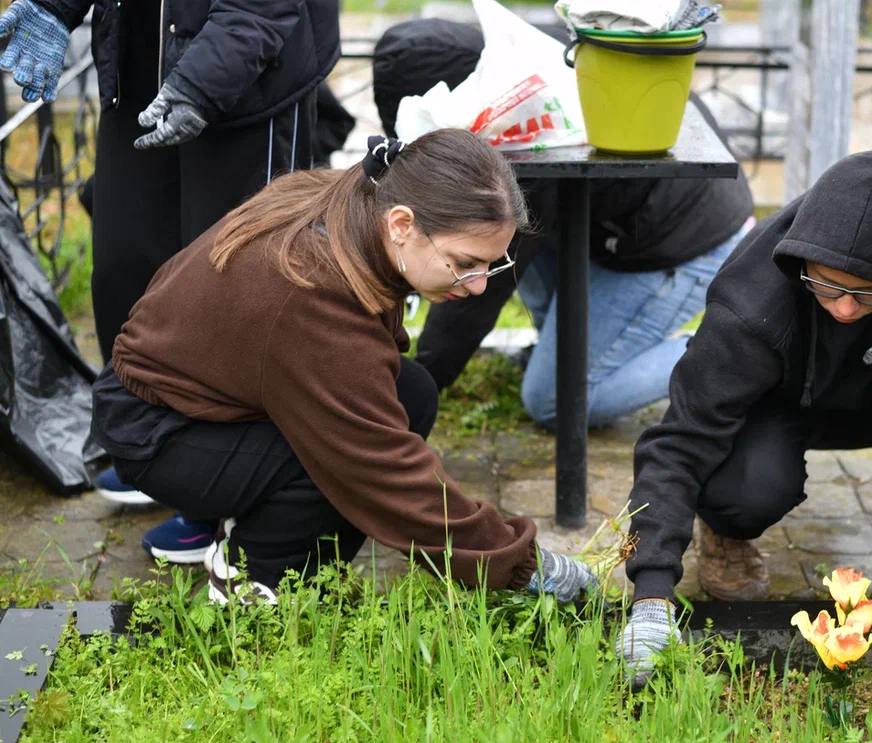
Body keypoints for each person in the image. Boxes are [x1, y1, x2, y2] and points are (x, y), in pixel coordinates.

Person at [89, 130, 596, 604]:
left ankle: (247, 529)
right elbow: (385, 472)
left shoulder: (359, 199)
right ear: (402, 224)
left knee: (411, 393)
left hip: (203, 394)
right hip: (155, 428)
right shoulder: (311, 293)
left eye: (492, 264)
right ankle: (253, 580)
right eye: (465, 263)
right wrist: (520, 565)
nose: (480, 285)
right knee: (342, 460)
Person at [615, 150, 872, 683]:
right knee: (746, 493)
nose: (846, 308)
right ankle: (726, 533)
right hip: (775, 405)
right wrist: (651, 594)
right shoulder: (747, 307)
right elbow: (677, 444)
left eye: (868, 290)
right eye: (828, 285)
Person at [0, 0, 342, 563]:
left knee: (235, 295)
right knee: (127, 275)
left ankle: (239, 497)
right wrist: (57, 7)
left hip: (247, 81)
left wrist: (200, 84)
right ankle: (171, 458)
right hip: (139, 70)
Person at [371, 18, 755, 425]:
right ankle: (577, 351)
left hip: (686, 239)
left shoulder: (518, 122)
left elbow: (484, 284)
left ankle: (735, 353)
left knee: (554, 401)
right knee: (506, 238)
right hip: (613, 224)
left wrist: (419, 385)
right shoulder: (506, 57)